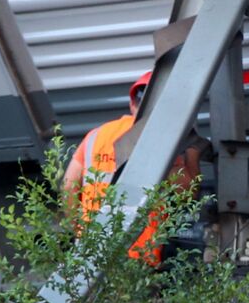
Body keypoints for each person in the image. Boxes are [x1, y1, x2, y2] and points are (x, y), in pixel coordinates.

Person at [63, 71, 201, 265]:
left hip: (89, 252)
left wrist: (78, 230)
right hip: (137, 256)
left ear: (132, 104)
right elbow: (186, 192)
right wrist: (193, 153)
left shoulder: (96, 135)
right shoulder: (161, 139)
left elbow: (69, 185)